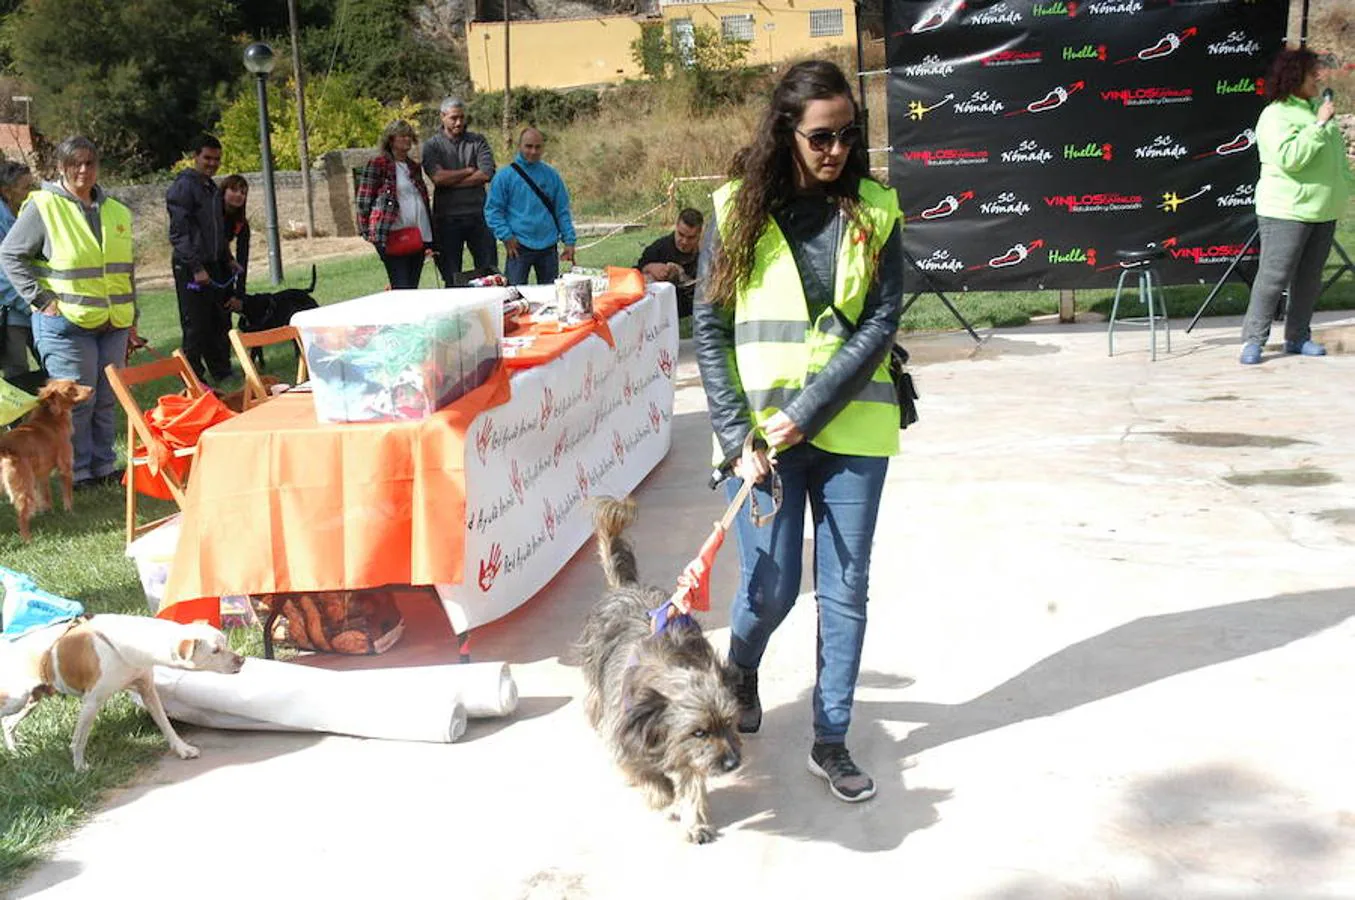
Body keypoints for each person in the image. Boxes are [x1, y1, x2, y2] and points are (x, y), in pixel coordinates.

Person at [692, 60, 904, 804]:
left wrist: (808, 409)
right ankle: (740, 667)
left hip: (855, 432)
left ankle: (831, 737)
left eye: (848, 136)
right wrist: (732, 434)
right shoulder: (732, 210)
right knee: (771, 585)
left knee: (844, 588)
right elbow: (710, 328)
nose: (835, 150)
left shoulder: (874, 209)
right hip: (761, 444)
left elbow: (881, 319)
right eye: (820, 136)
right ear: (785, 132)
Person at [0, 135, 137, 488]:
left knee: (106, 399)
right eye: (75, 163)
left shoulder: (115, 211)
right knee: (75, 404)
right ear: (60, 167)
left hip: (113, 324)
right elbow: (10, 254)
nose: (83, 170)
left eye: (90, 162)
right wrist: (40, 299)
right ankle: (75, 472)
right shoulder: (44, 206)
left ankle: (103, 467)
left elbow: (124, 270)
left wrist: (131, 319)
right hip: (66, 326)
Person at [1239, 46, 1354, 365]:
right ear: (1294, 77)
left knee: (1309, 278)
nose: (1318, 77)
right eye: (1312, 72)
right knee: (1274, 276)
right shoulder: (1276, 114)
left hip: (1323, 210)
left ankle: (1298, 337)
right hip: (1286, 210)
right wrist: (1317, 127)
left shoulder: (1320, 108)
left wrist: (1346, 186)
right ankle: (1253, 340)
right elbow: (1291, 159)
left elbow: (1336, 160)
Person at [167, 134, 237, 384]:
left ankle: (222, 370)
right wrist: (195, 267)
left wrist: (228, 258)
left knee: (218, 319)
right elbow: (178, 233)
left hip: (214, 264)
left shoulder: (211, 188)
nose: (212, 163)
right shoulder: (184, 187)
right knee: (196, 323)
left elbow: (216, 230)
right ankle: (194, 377)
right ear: (195, 157)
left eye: (217, 159)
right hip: (191, 268)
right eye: (207, 158)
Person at [484, 127, 577, 286]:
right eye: (528, 146)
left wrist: (569, 241)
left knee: (551, 295)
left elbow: (562, 210)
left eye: (538, 147)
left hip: (548, 246)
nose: (533, 151)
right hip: (518, 246)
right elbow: (493, 211)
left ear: (543, 148)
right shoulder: (505, 176)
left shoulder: (551, 175)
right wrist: (506, 236)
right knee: (514, 295)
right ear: (519, 146)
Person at [422, 98, 497, 283]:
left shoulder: (478, 141)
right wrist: (468, 171)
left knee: (489, 274)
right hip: (447, 220)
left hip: (479, 217)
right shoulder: (432, 146)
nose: (459, 122)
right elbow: (438, 178)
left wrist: (451, 180)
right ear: (442, 117)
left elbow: (486, 174)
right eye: (454, 118)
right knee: (452, 277)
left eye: (462, 117)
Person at [356, 119, 433, 290]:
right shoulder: (378, 164)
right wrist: (367, 232)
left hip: (417, 234)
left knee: (412, 286)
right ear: (391, 140)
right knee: (401, 285)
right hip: (391, 235)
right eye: (402, 136)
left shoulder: (413, 167)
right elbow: (363, 200)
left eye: (409, 136)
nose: (407, 140)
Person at [0, 161, 37, 379]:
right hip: (11, 314)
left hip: (33, 308)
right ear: (6, 190)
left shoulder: (22, 214)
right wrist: (28, 303)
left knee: (53, 366)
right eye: (26, 187)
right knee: (17, 377)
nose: (31, 192)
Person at [637, 207, 703, 318]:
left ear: (700, 233)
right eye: (681, 235)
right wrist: (649, 267)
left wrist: (681, 277)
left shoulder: (705, 252)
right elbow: (634, 274)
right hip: (661, 309)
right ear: (676, 227)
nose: (684, 242)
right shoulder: (659, 248)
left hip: (693, 308)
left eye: (691, 238)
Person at [219, 173, 251, 296]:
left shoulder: (241, 223)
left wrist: (240, 293)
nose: (239, 195)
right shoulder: (212, 215)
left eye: (243, 193)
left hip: (224, 267)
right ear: (223, 191)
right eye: (234, 190)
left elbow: (243, 257)